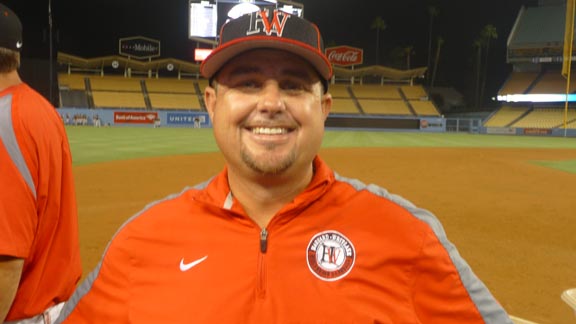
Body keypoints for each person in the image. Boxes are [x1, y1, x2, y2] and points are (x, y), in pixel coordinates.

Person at [56, 9, 512, 323]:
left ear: (325, 107)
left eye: (293, 86)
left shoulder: (407, 235)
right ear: (212, 104)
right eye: (247, 82)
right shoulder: (141, 241)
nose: (270, 103)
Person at [0, 3, 82, 323]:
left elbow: (6, 261)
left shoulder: (4, 121)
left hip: (21, 313)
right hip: (55, 307)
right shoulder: (41, 109)